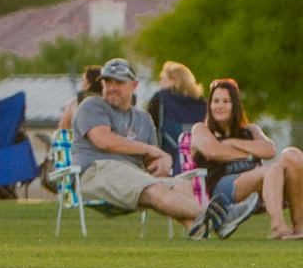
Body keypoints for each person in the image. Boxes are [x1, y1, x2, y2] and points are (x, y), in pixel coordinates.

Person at [66, 58, 202, 229]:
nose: (112, 87)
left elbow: (151, 160)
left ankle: (197, 232)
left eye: (119, 82)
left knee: (181, 185)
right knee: (154, 190)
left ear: (134, 85)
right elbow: (104, 141)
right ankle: (214, 216)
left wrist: (161, 162)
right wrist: (153, 151)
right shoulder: (92, 106)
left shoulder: (143, 118)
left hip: (133, 177)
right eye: (108, 82)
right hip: (96, 172)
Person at [188, 78, 289, 239]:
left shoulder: (250, 130)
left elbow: (269, 150)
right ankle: (278, 226)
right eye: (216, 101)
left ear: (235, 105)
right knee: (273, 169)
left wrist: (232, 142)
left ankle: (298, 226)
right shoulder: (201, 130)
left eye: (226, 101)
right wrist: (251, 153)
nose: (220, 106)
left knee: (291, 165)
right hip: (220, 191)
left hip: (256, 185)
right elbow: (213, 151)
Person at [58, 65, 104, 131]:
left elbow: (63, 129)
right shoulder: (113, 103)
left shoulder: (75, 103)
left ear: (90, 84)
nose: (82, 86)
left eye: (84, 82)